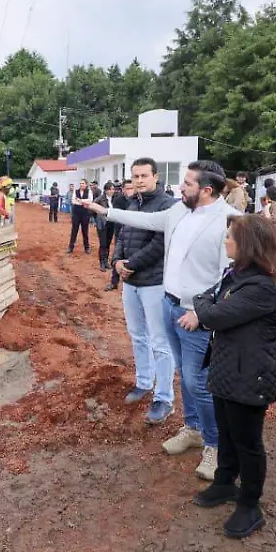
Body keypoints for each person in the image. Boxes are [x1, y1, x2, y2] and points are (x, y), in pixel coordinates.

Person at [85, 160, 240, 476]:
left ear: (206, 190)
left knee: (199, 382)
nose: (181, 187)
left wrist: (202, 313)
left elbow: (228, 278)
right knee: (185, 375)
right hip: (170, 305)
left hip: (197, 315)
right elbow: (143, 219)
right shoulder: (179, 211)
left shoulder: (228, 221)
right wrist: (105, 211)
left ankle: (215, 445)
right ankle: (193, 429)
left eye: (188, 183)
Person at [187, 214, 276, 539]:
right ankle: (224, 482)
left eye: (230, 237)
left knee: (247, 442)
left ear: (248, 244)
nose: (225, 241)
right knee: (227, 433)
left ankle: (249, 504)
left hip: (251, 375)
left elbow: (212, 312)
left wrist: (205, 309)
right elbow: (207, 299)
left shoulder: (264, 287)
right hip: (227, 368)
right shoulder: (236, 274)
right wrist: (206, 306)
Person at [81, 159, 176, 422]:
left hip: (154, 283)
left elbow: (160, 245)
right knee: (137, 335)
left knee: (160, 341)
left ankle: (164, 397)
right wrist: (116, 262)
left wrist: (131, 264)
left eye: (144, 175)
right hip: (130, 283)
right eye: (135, 176)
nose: (139, 180)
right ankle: (144, 382)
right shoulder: (133, 203)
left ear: (155, 176)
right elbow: (122, 236)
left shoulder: (168, 205)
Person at [105, 179, 135, 291]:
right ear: (122, 189)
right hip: (121, 233)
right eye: (128, 188)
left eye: (132, 188)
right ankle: (114, 282)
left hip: (135, 233)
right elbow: (120, 217)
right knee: (117, 256)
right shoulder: (118, 200)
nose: (130, 191)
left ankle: (132, 283)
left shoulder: (138, 200)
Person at [94, 182, 128, 272]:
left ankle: (106, 261)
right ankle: (102, 262)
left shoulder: (115, 198)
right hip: (102, 224)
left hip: (111, 223)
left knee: (108, 243)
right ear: (106, 190)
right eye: (110, 189)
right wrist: (97, 219)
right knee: (103, 243)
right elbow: (93, 209)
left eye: (113, 189)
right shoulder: (100, 198)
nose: (112, 191)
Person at [68, 180, 93, 255]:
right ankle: (70, 247)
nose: (81, 185)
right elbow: (73, 201)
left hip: (85, 213)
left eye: (83, 183)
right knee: (74, 230)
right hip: (76, 213)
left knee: (85, 231)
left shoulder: (89, 191)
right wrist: (83, 202)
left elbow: (90, 200)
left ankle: (87, 248)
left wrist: (80, 200)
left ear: (86, 184)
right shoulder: (76, 191)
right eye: (80, 183)